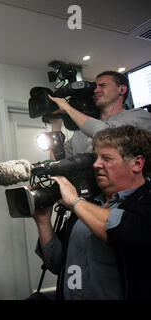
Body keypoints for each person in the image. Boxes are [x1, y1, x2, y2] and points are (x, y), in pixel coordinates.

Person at [52, 125, 151, 299]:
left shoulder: (146, 201)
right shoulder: (89, 204)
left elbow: (129, 232)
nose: (96, 165)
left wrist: (75, 201)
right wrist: (42, 220)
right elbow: (57, 262)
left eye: (106, 158)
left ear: (137, 163)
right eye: (95, 157)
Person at [47, 71, 151, 158]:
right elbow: (57, 159)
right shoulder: (81, 131)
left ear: (122, 89)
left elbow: (105, 134)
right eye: (94, 87)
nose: (95, 90)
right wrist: (56, 124)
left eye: (102, 85)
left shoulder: (139, 116)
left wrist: (68, 108)